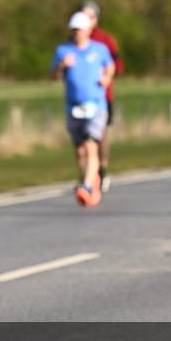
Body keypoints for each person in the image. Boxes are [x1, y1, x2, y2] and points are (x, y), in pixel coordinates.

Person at [50, 12, 115, 207]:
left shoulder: (99, 49)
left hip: (96, 105)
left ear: (88, 30)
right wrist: (62, 66)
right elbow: (53, 76)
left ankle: (86, 186)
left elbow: (110, 67)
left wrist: (107, 78)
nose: (76, 33)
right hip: (74, 106)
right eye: (74, 29)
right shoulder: (63, 51)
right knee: (79, 150)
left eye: (80, 29)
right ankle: (90, 179)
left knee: (90, 145)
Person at [81, 1, 123, 193]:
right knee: (82, 138)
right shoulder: (74, 40)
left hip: (102, 96)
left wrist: (106, 75)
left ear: (96, 19)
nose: (86, 21)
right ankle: (87, 177)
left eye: (90, 16)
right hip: (80, 98)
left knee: (101, 135)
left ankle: (102, 170)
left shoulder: (105, 40)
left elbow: (118, 65)